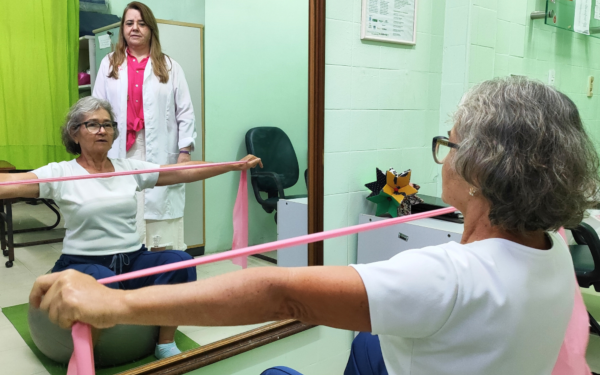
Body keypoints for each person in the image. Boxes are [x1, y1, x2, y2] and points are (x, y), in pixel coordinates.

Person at [30, 77, 599, 374]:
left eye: (447, 144)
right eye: (93, 124)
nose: (442, 156)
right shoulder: (555, 248)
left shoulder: (448, 277)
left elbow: (278, 290)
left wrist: (117, 305)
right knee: (369, 344)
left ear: (479, 171)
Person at [0, 96, 261, 360]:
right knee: (102, 280)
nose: (102, 130)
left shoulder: (128, 169)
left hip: (133, 259)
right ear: (74, 133)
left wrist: (232, 165)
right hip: (83, 262)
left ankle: (165, 344)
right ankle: (88, 354)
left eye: (108, 124)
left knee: (179, 261)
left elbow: (181, 172)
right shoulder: (61, 172)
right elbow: (10, 183)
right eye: (92, 124)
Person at [93, 1, 195, 251]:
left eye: (141, 23)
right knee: (126, 207)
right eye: (129, 23)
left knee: (161, 211)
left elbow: (185, 111)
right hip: (120, 148)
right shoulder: (109, 64)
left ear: (151, 28)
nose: (135, 28)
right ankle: (127, 265)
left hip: (161, 148)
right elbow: (96, 107)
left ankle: (162, 264)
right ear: (123, 29)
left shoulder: (169, 66)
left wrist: (184, 151)